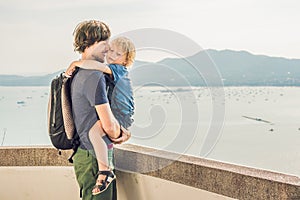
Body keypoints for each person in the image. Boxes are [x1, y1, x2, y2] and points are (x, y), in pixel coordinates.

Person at [67, 36, 135, 196]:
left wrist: (75, 63)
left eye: (118, 54)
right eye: (111, 50)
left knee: (94, 132)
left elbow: (95, 65)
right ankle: (105, 171)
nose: (111, 55)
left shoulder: (118, 70)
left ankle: (105, 171)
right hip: (114, 123)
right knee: (94, 132)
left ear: (125, 61)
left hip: (121, 116)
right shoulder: (100, 74)